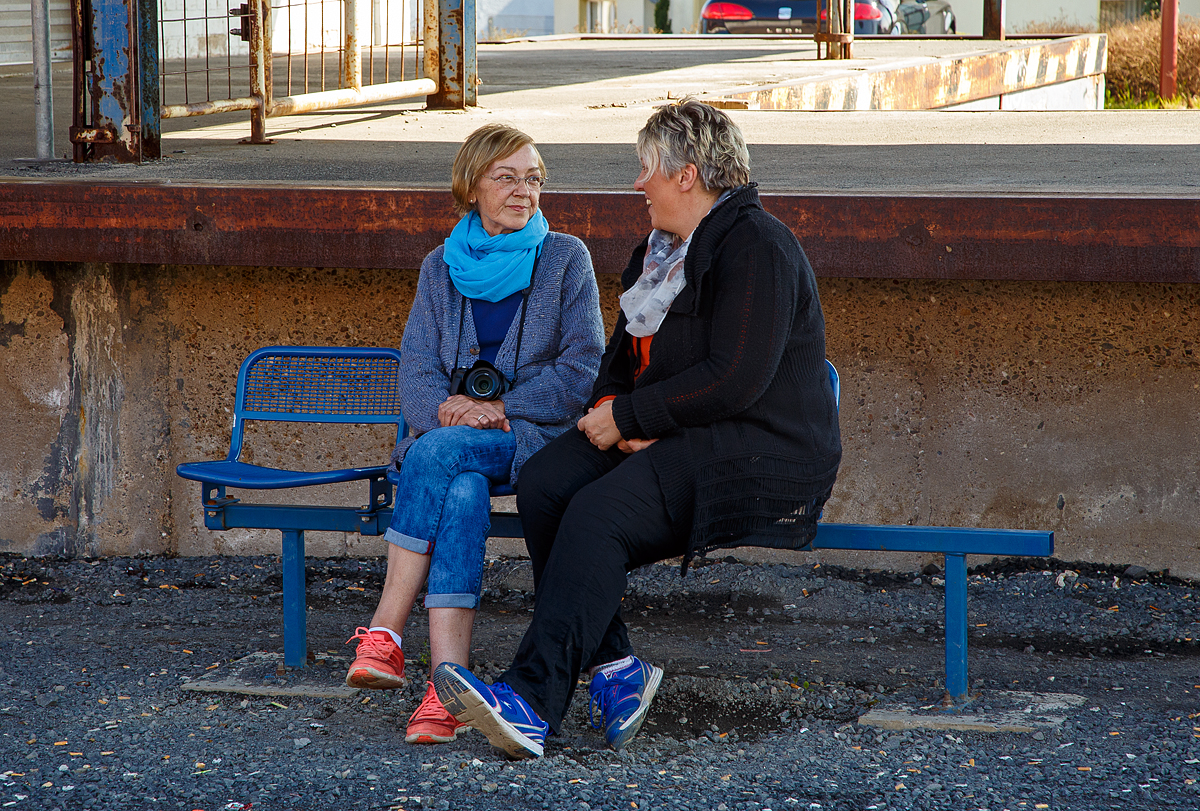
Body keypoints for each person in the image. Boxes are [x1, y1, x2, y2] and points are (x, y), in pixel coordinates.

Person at [431, 98, 842, 759]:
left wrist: (632, 417)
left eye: (646, 166)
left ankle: (533, 699)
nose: (636, 181)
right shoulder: (656, 255)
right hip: (674, 434)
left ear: (688, 174)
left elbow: (735, 377)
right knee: (545, 482)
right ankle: (618, 669)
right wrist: (615, 415)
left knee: (596, 513)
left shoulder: (759, 247)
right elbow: (619, 362)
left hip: (755, 448)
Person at [344, 124, 605, 746]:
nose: (524, 191)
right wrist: (449, 410)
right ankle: (445, 689)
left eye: (534, 178)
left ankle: (385, 628)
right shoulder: (440, 268)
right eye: (507, 177)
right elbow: (416, 371)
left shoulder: (567, 259)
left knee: (434, 453)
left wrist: (501, 408)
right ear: (472, 187)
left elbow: (582, 370)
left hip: (532, 443)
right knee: (458, 489)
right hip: (455, 443)